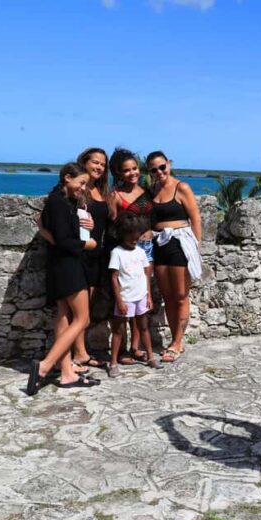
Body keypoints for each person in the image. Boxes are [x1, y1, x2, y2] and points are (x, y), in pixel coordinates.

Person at [27, 163, 101, 395]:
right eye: (80, 183)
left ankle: (67, 372)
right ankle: (45, 365)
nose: (83, 188)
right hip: (68, 266)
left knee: (65, 316)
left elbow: (53, 234)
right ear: (67, 178)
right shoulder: (59, 203)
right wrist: (88, 244)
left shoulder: (60, 201)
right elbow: (64, 240)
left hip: (59, 265)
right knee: (83, 318)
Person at [38, 148, 110, 371]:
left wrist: (92, 227)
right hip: (74, 255)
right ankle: (63, 360)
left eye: (102, 164)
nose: (99, 167)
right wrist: (47, 233)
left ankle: (72, 359)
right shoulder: (71, 192)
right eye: (95, 162)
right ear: (83, 164)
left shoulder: (101, 191)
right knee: (76, 315)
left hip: (90, 256)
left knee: (77, 313)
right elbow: (55, 225)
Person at [148, 151, 202, 362]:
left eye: (162, 167)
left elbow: (196, 219)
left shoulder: (182, 188)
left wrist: (196, 249)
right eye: (154, 169)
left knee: (180, 295)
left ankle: (178, 342)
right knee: (167, 296)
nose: (159, 172)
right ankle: (174, 339)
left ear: (169, 164)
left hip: (179, 244)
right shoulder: (152, 191)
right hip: (159, 244)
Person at [107, 148, 156, 363]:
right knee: (125, 301)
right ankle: (124, 350)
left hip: (148, 248)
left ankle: (135, 348)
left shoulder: (146, 191)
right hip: (128, 250)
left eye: (134, 168)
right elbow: (114, 227)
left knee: (140, 297)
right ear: (118, 173)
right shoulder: (115, 196)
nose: (132, 173)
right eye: (126, 171)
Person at [107, 211, 161, 377]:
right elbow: (114, 278)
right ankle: (113, 362)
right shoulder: (117, 253)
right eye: (130, 236)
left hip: (140, 297)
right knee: (118, 330)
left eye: (136, 236)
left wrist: (148, 296)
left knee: (143, 327)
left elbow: (146, 275)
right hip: (125, 298)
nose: (134, 239)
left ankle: (151, 357)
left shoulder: (140, 252)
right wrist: (120, 300)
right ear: (122, 234)